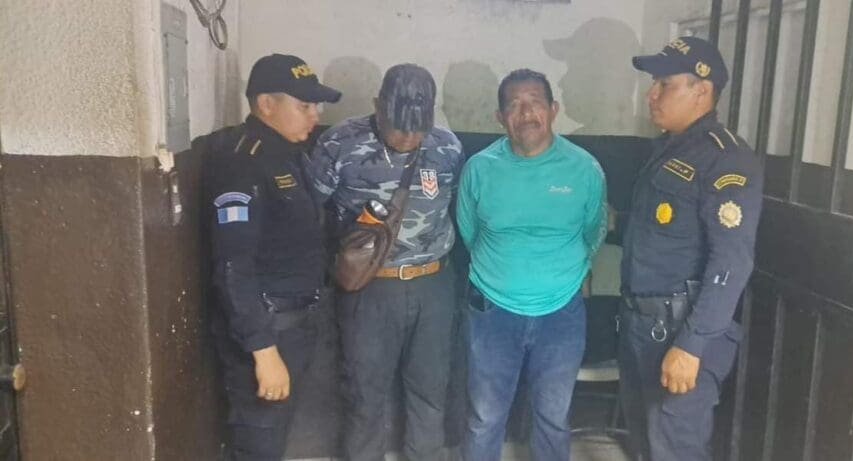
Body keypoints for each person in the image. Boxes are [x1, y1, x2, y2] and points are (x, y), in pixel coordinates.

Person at [306, 63, 464, 461]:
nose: (408, 137)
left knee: (430, 391)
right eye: (398, 127)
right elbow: (309, 212)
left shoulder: (447, 147)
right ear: (377, 106)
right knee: (365, 395)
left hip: (433, 285)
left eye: (417, 128)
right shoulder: (339, 144)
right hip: (369, 289)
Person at [620, 37, 764, 460]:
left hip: (681, 329)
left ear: (701, 91)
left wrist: (691, 345)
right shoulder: (669, 148)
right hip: (643, 324)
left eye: (664, 84)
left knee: (675, 448)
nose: (652, 94)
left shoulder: (725, 159)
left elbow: (731, 262)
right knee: (644, 444)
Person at [457, 68, 608, 461]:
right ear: (499, 117)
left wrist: (569, 274)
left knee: (553, 417)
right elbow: (469, 231)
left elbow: (594, 231)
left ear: (553, 110)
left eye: (535, 103)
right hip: (491, 311)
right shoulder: (479, 168)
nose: (526, 113)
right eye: (514, 105)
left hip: (561, 313)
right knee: (484, 418)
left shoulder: (584, 169)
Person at [204, 53, 341, 460]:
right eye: (304, 105)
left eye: (316, 106)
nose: (315, 115)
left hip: (294, 324)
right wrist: (263, 352)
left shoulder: (289, 153)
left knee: (275, 435)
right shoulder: (242, 164)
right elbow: (233, 265)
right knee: (259, 441)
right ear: (266, 104)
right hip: (266, 330)